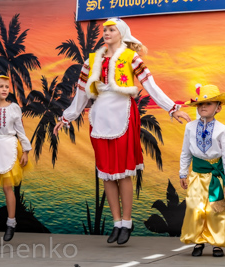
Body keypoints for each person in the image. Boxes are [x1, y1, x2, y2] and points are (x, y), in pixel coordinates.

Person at [53, 17, 190, 245]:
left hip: (123, 113)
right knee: (106, 172)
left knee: (124, 172)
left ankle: (127, 221)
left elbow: (149, 84)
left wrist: (171, 108)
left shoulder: (131, 57)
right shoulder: (92, 60)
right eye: (104, 30)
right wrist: (67, 117)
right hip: (100, 116)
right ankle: (116, 222)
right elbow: (81, 93)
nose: (106, 33)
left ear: (121, 33)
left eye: (111, 30)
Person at [180, 84, 225, 257]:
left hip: (216, 179)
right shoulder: (190, 128)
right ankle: (198, 241)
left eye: (209, 103)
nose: (203, 107)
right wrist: (183, 173)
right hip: (197, 177)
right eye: (200, 104)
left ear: (218, 108)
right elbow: (185, 152)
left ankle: (217, 243)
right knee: (195, 209)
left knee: (217, 209)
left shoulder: (222, 130)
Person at [0, 75, 32, 242]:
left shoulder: (14, 108)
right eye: (0, 86)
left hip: (8, 146)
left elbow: (20, 130)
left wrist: (26, 150)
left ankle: (11, 222)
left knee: (8, 187)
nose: (4, 89)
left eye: (6, 87)